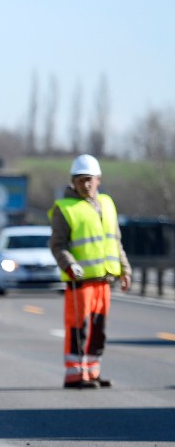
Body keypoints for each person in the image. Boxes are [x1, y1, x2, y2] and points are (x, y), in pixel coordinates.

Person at [48, 154, 131, 389]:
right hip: (80, 282)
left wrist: (125, 269)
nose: (85, 184)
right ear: (73, 182)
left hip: (104, 280)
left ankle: (92, 372)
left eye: (89, 179)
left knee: (98, 330)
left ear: (98, 180)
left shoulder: (107, 204)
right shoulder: (64, 209)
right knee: (78, 328)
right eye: (80, 180)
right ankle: (75, 375)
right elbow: (57, 245)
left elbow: (116, 241)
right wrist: (69, 264)